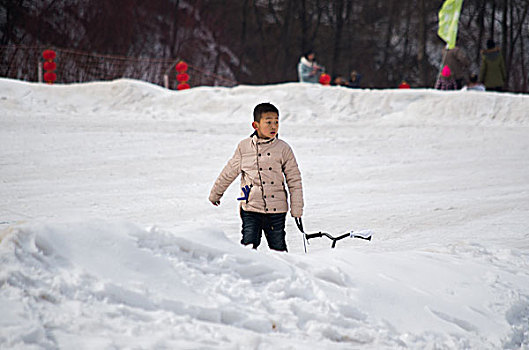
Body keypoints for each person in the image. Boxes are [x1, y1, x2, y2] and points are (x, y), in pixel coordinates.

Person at [209, 103, 304, 252]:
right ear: (256, 125)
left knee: (278, 248)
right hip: (250, 208)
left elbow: (294, 179)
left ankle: (283, 273)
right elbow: (229, 172)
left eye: (276, 122)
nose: (274, 126)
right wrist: (216, 193)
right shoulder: (244, 147)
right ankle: (248, 273)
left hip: (276, 210)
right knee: (248, 247)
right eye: (268, 122)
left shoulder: (283, 149)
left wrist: (297, 208)